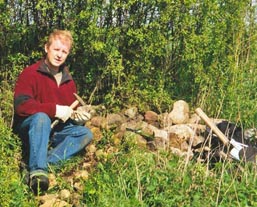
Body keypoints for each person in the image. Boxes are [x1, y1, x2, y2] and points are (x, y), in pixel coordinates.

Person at [13, 29, 93, 195]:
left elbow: (69, 112)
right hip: (31, 127)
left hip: (54, 130)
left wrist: (78, 117)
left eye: (64, 51)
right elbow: (21, 106)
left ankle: (42, 162)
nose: (59, 55)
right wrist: (55, 109)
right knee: (42, 118)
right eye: (56, 49)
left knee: (85, 134)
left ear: (68, 54)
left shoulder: (68, 81)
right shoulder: (31, 73)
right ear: (46, 48)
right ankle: (38, 173)